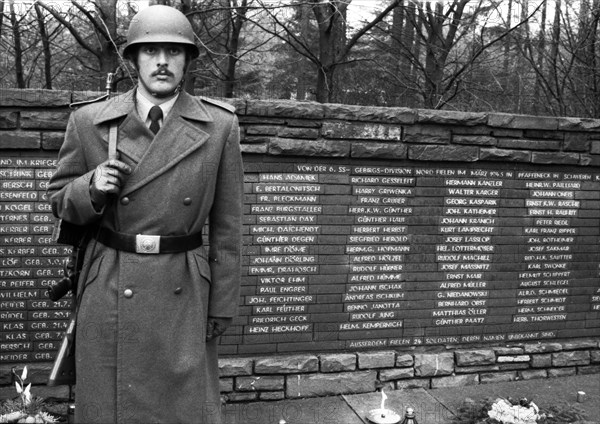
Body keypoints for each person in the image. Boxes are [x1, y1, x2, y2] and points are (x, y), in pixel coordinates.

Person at [47, 5, 242, 423]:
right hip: (111, 279)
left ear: (187, 60)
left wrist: (222, 302)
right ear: (133, 59)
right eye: (150, 50)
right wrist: (92, 187)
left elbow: (227, 227)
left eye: (173, 52)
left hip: (184, 286)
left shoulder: (219, 126)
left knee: (182, 406)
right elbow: (60, 200)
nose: (161, 62)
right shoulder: (89, 121)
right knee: (109, 403)